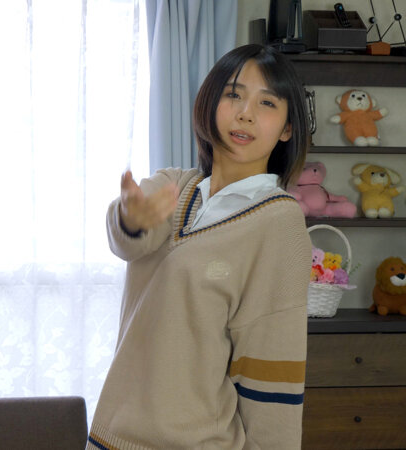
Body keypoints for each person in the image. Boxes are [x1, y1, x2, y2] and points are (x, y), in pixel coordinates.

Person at [87, 44, 312, 449]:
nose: (245, 113)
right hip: (111, 434)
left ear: (287, 129)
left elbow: (272, 365)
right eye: (233, 94)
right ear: (209, 103)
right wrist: (132, 219)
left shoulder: (280, 223)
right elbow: (129, 242)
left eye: (267, 103)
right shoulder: (174, 185)